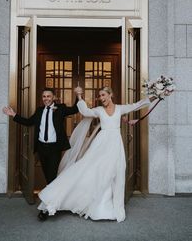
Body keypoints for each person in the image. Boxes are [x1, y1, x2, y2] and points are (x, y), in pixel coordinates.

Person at [37, 86, 157, 222]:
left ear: (110, 95)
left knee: (114, 171)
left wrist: (157, 95)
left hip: (115, 145)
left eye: (103, 95)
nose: (102, 98)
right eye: (100, 96)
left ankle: (107, 204)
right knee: (90, 169)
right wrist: (80, 97)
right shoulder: (99, 110)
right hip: (101, 145)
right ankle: (60, 198)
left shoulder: (120, 109)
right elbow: (85, 112)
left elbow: (137, 105)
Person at [2, 88, 79, 221]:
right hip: (42, 148)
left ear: (53, 97)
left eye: (48, 96)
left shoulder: (60, 108)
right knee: (48, 177)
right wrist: (13, 115)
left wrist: (78, 95)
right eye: (44, 96)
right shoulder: (39, 111)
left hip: (54, 148)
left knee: (51, 177)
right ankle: (53, 203)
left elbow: (75, 109)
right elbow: (28, 122)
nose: (46, 98)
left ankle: (47, 208)